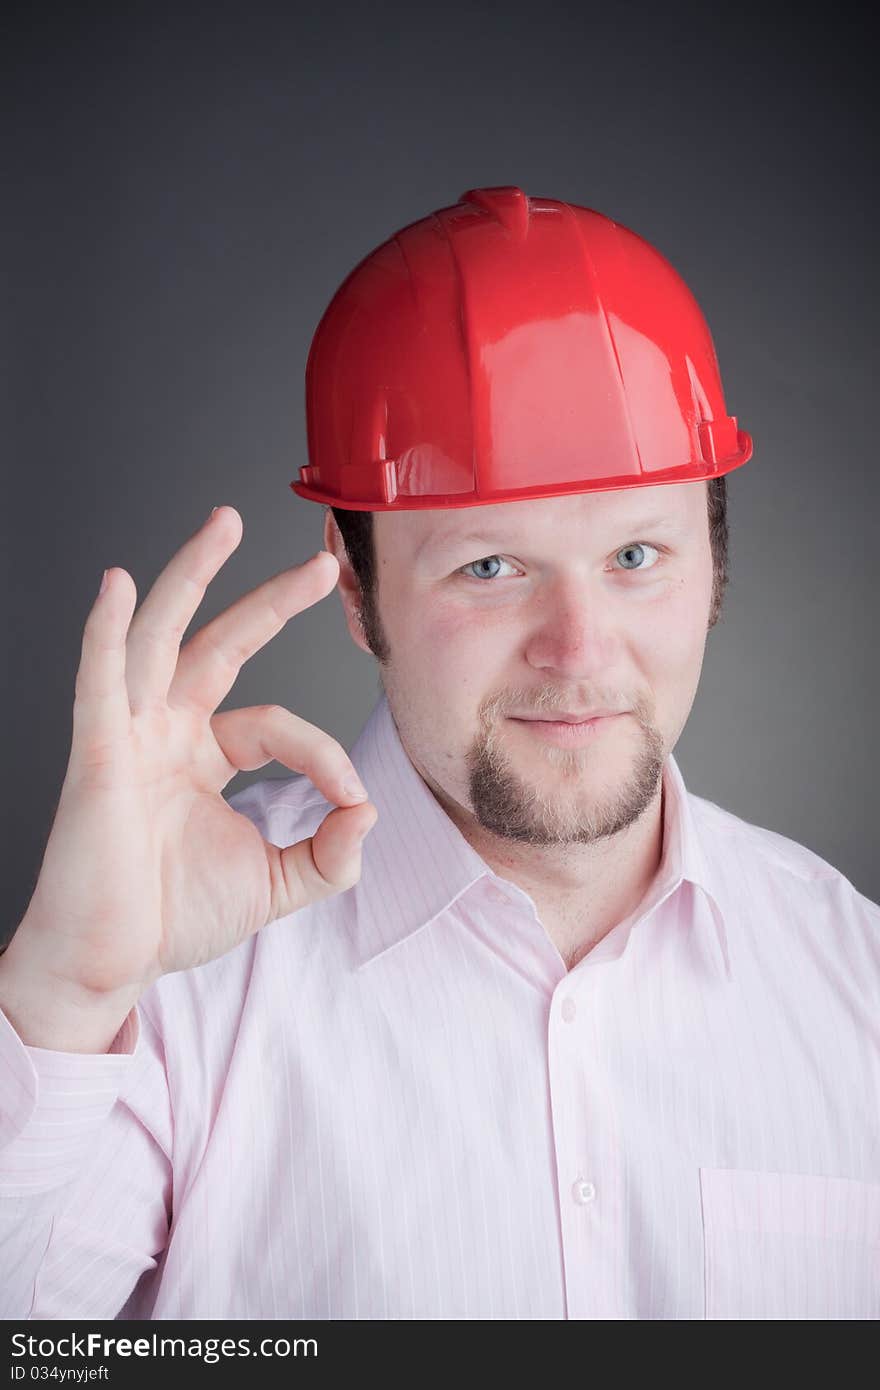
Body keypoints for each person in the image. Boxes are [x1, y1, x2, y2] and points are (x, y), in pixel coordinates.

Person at [1, 187, 878, 1322]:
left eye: (633, 553)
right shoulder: (168, 983)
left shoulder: (856, 980)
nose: (576, 651)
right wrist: (61, 998)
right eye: (488, 568)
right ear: (357, 589)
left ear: (711, 561)